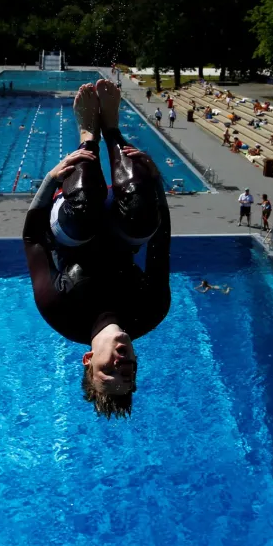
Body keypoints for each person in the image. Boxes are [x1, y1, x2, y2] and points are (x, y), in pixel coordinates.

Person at [23, 79, 170, 420]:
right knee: (143, 215)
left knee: (85, 210)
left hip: (74, 227)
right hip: (122, 233)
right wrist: (156, 182)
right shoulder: (152, 309)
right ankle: (113, 130)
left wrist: (50, 181)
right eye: (129, 373)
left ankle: (88, 135)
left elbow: (33, 240)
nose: (122, 365)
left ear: (88, 360)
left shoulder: (59, 310)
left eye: (109, 372)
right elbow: (161, 240)